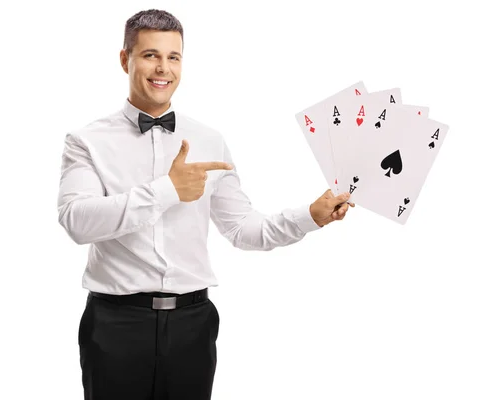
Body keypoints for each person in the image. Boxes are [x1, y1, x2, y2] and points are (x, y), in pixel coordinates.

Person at [57, 8, 354, 400]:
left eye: (173, 57)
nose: (163, 68)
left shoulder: (209, 139)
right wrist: (167, 189)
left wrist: (309, 217)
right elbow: (77, 221)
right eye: (150, 55)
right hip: (115, 324)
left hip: (192, 326)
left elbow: (244, 229)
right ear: (125, 59)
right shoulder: (86, 140)